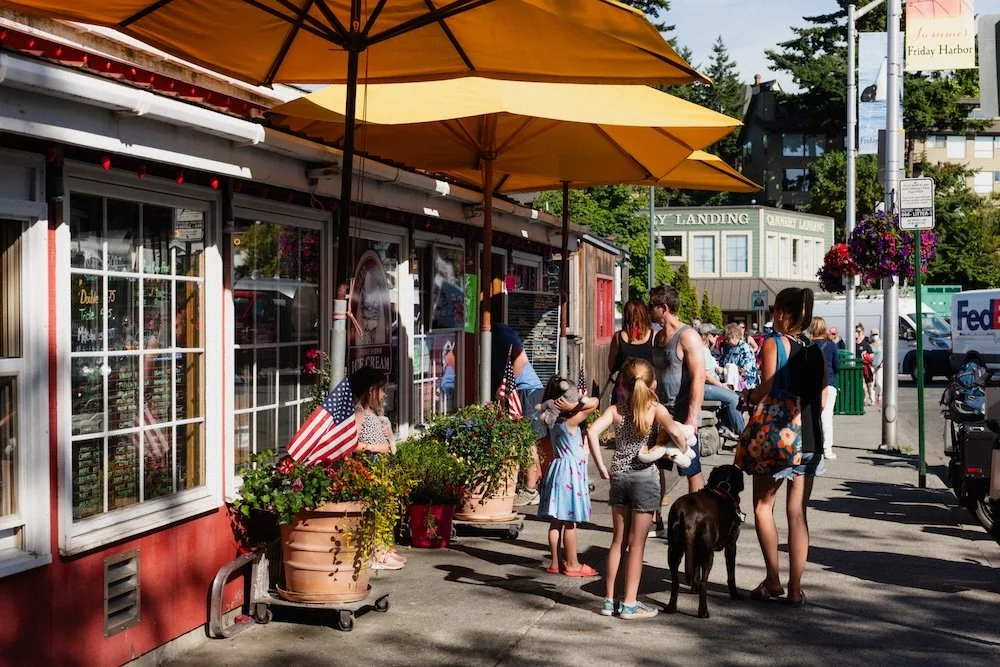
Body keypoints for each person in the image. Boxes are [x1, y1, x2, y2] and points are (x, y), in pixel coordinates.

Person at [586, 358, 693, 620]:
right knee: (637, 545)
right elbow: (678, 434)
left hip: (619, 477)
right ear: (652, 384)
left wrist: (602, 468)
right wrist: (683, 448)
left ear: (621, 383)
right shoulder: (655, 409)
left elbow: (591, 433)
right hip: (645, 479)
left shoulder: (615, 410)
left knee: (617, 541)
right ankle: (631, 603)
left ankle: (609, 601)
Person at [745, 287, 825, 607]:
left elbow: (768, 390)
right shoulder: (816, 351)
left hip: (778, 437)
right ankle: (795, 590)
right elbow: (819, 398)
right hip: (809, 435)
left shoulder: (772, 344)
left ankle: (774, 580)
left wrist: (750, 396)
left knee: (764, 506)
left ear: (782, 313)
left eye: (775, 309)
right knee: (798, 513)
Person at [537, 375, 601, 577]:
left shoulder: (553, 423)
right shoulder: (572, 421)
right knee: (570, 522)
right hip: (570, 474)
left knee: (555, 521)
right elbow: (594, 404)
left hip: (556, 469)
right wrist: (571, 407)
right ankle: (572, 563)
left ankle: (555, 562)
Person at [653, 285, 706, 496]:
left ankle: (699, 515)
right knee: (656, 466)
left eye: (652, 306)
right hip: (660, 410)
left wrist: (692, 417)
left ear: (664, 308)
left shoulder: (688, 336)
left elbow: (699, 376)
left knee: (690, 467)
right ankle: (654, 519)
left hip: (682, 410)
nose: (649, 310)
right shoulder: (657, 338)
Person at [351, 366, 406, 571]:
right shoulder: (358, 413)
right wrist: (377, 447)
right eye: (381, 390)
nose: (384, 394)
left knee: (384, 509)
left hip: (381, 468)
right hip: (370, 467)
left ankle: (384, 546)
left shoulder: (371, 413)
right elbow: (351, 444)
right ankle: (375, 552)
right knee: (374, 510)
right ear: (371, 390)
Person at [492, 323, 545, 506]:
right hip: (523, 390)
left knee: (527, 440)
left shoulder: (501, 332)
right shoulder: (498, 334)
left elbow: (520, 359)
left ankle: (531, 490)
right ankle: (534, 484)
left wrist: (507, 384)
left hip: (526, 389)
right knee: (528, 440)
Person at [699, 323, 744, 440]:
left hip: (710, 386)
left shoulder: (707, 351)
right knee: (734, 398)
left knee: (734, 394)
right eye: (714, 335)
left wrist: (735, 370)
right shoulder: (702, 350)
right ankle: (744, 435)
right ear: (706, 336)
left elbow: (717, 369)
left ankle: (724, 426)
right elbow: (705, 375)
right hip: (704, 387)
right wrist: (722, 385)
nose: (716, 337)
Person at [608, 299, 656, 403]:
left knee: (621, 417)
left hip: (624, 387)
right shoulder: (653, 335)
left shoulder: (618, 337)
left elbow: (611, 365)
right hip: (647, 387)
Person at [809, 316, 839, 461]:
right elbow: (836, 366)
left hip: (811, 384)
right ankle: (827, 449)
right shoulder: (831, 345)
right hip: (828, 383)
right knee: (826, 417)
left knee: (811, 416)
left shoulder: (806, 345)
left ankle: (813, 447)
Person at [721, 323, 760, 392]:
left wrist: (731, 368)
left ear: (735, 336)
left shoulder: (745, 348)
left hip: (745, 386)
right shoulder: (728, 347)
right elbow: (723, 362)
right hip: (730, 383)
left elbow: (747, 370)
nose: (726, 341)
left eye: (728, 338)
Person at [869, 328, 884, 406]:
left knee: (879, 383)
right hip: (871, 365)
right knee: (871, 383)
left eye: (876, 334)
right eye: (873, 334)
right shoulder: (870, 345)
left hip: (880, 366)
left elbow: (886, 354)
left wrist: (883, 362)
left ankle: (879, 395)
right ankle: (872, 399)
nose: (875, 336)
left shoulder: (882, 344)